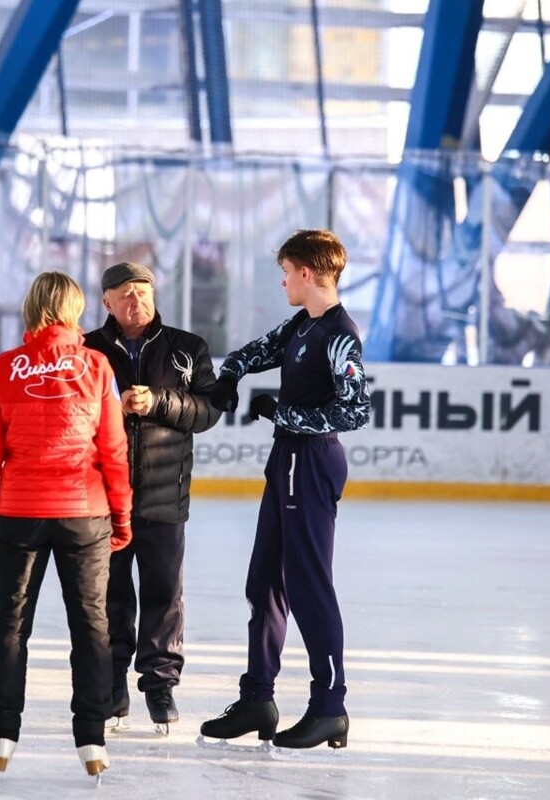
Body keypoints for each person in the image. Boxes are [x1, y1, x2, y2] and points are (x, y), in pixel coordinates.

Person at [198, 229, 371, 750]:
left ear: (307, 273)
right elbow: (258, 350)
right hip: (286, 460)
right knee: (265, 582)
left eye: (286, 270)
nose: (281, 280)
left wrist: (285, 413)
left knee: (308, 584)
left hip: (311, 462)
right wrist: (230, 373)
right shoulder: (303, 323)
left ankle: (330, 706)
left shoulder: (339, 334)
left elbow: (356, 409)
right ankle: (258, 698)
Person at [0, 271, 133, 780]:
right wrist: (121, 514)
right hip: (84, 514)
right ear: (74, 309)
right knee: (91, 626)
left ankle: (1, 734)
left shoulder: (3, 368)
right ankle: (92, 740)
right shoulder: (98, 365)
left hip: (17, 512)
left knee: (10, 623)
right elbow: (113, 450)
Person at [83, 261, 221, 731]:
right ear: (106, 302)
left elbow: (208, 410)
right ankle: (113, 683)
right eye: (123, 293)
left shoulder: (188, 347)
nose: (134, 300)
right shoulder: (90, 350)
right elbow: (76, 413)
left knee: (165, 593)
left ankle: (159, 686)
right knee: (110, 592)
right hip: (105, 497)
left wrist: (158, 402)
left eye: (142, 291)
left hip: (166, 493)